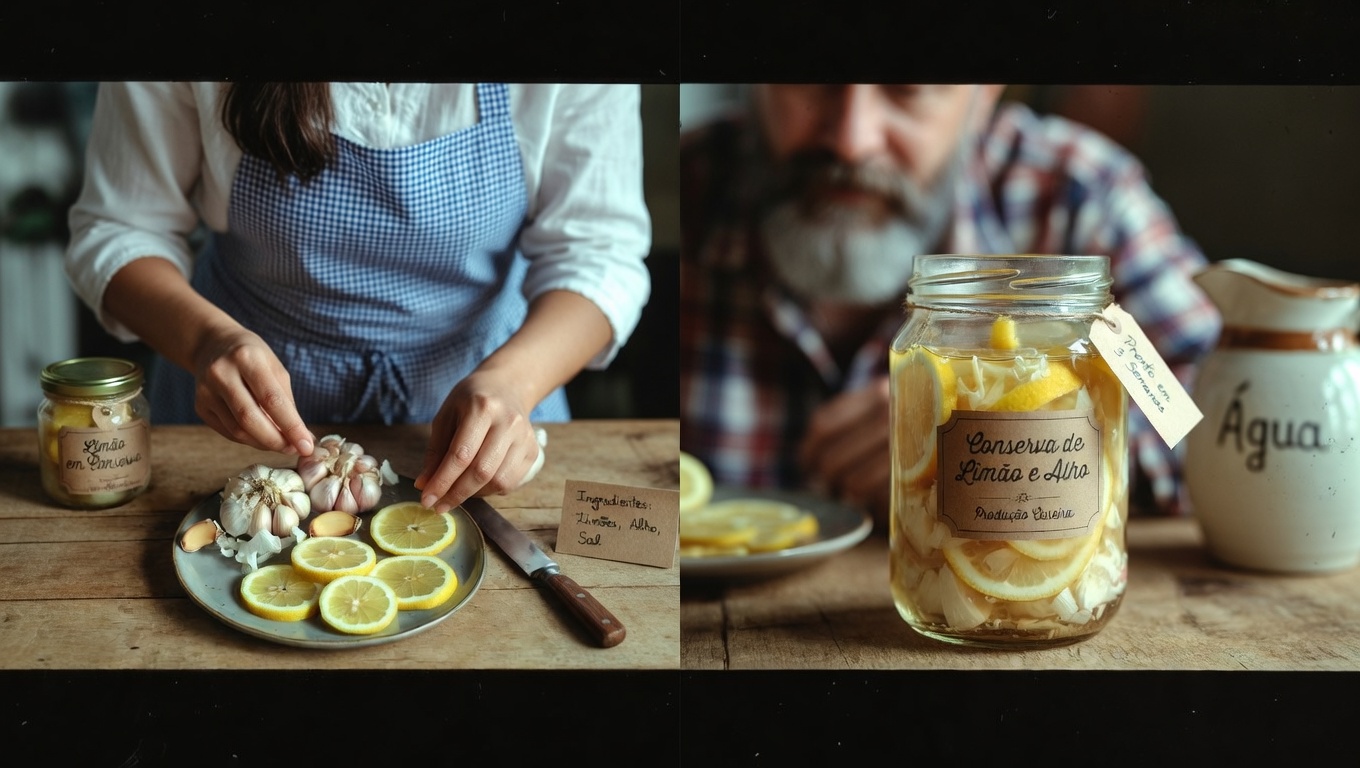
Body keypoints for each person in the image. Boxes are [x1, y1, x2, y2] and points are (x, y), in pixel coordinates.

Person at [67, 82, 651, 513]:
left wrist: (513, 384)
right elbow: (120, 230)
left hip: (488, 408)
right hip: (241, 420)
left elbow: (599, 254)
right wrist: (205, 341)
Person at [679, 84, 1221, 525]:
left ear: (985, 94)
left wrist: (1002, 441)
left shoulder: (1079, 200)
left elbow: (1216, 417)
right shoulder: (680, 194)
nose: (852, 140)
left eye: (907, 89)